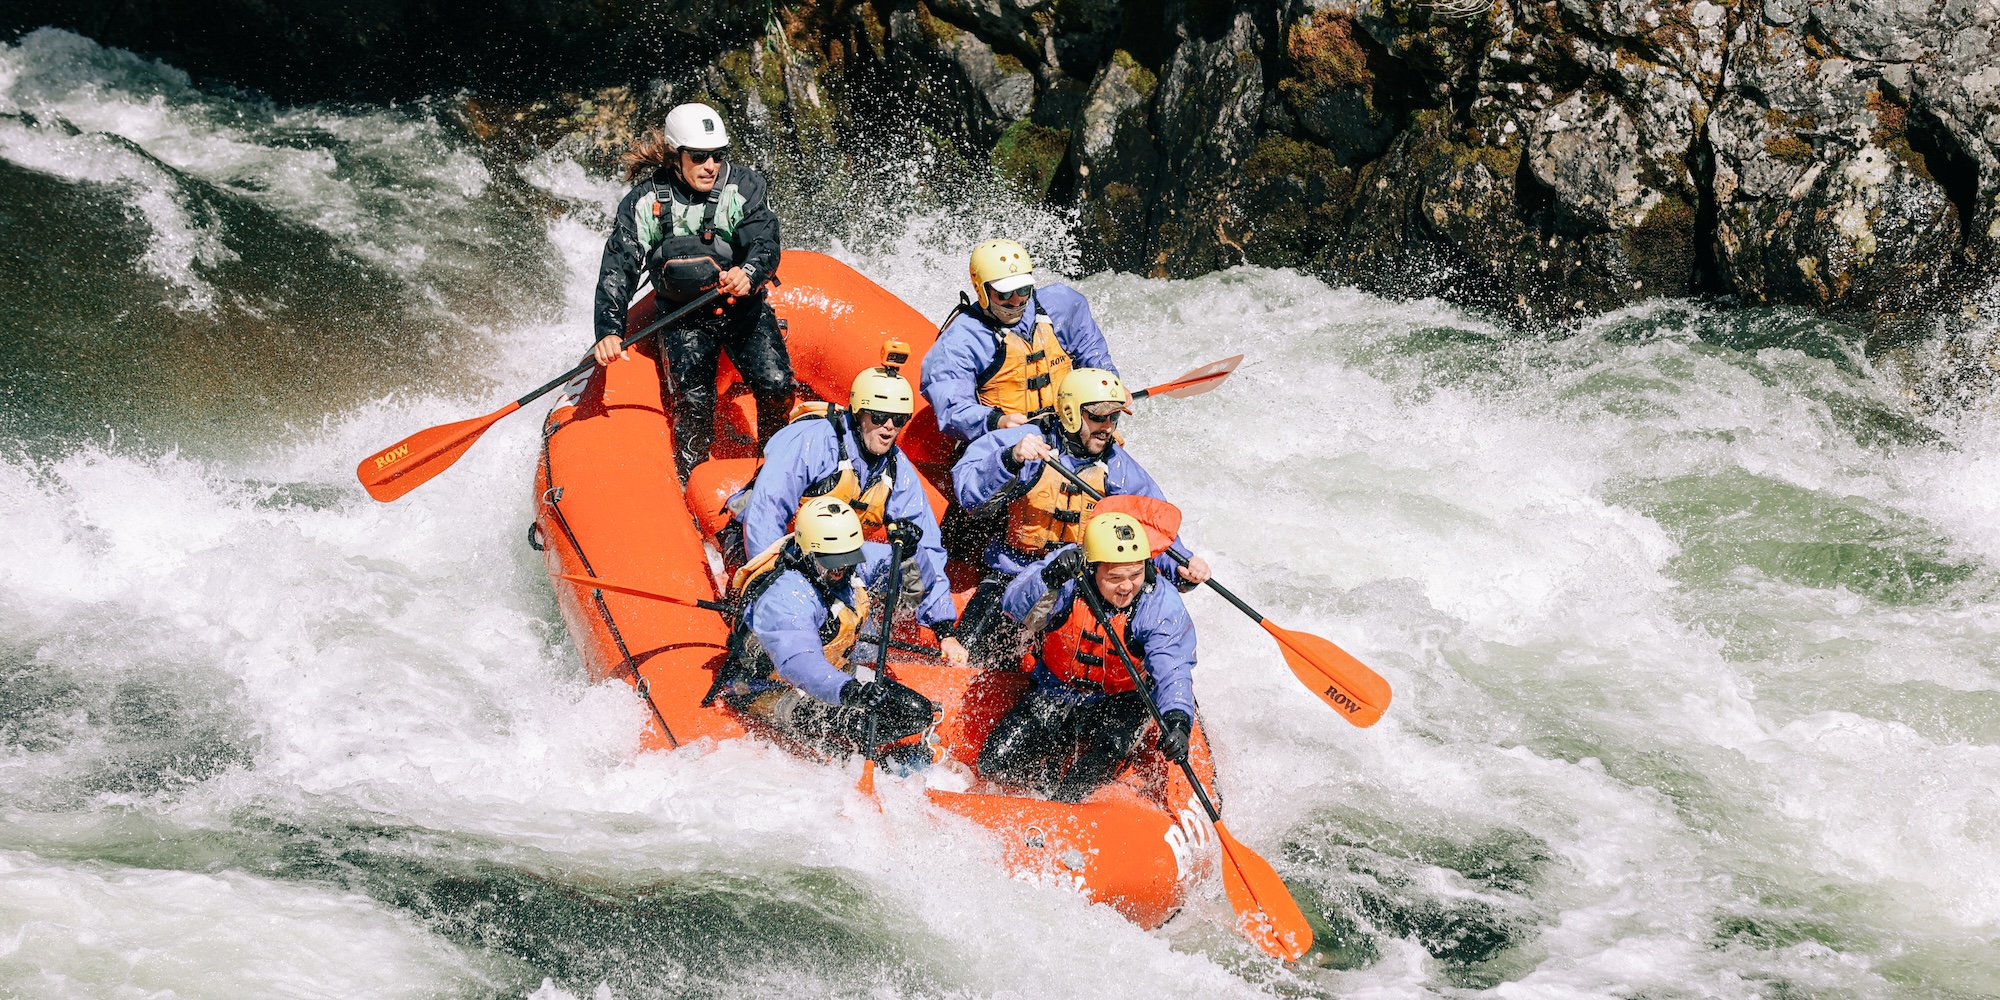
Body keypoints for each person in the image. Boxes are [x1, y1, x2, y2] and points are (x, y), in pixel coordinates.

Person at [950, 367, 1209, 666]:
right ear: (1071, 413)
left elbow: (1152, 531)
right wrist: (1010, 458)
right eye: (1099, 417)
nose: (1109, 427)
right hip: (1014, 577)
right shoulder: (1030, 441)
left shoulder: (1119, 469)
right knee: (968, 655)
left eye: (1114, 417)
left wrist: (1182, 567)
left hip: (1080, 587)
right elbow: (969, 491)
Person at [592, 102, 793, 480]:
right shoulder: (645, 202)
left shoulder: (745, 187)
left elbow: (764, 241)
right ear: (675, 156)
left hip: (741, 308)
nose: (710, 166)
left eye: (717, 156)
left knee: (777, 385)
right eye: (699, 157)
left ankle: (774, 466)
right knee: (695, 403)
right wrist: (609, 330)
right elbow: (619, 266)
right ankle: (693, 479)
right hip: (682, 317)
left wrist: (749, 272)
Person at [720, 364, 969, 666]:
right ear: (858, 413)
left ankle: (852, 659)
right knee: (785, 617)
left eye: (898, 419)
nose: (889, 427)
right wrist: (772, 584)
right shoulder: (814, 441)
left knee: (901, 567)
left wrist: (944, 628)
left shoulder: (896, 467)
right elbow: (765, 512)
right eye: (878, 417)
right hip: (773, 550)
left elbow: (925, 546)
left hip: (835, 554)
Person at [978, 512, 1197, 802]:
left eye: (1135, 574)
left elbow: (1173, 668)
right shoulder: (1067, 573)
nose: (1126, 586)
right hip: (1057, 689)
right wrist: (1049, 580)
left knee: (1072, 791)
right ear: (1093, 568)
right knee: (993, 763)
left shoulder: (1159, 605)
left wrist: (1179, 720)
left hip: (1124, 702)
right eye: (1115, 577)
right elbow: (1013, 606)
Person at [712, 497, 940, 764]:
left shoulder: (844, 558)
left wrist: (912, 553)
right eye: (833, 561)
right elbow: (799, 661)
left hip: (834, 673)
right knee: (861, 722)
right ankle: (849, 760)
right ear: (808, 552)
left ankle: (870, 759)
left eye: (848, 558)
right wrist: (848, 691)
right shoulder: (785, 596)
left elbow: (914, 586)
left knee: (917, 712)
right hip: (771, 689)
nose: (842, 568)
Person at [918, 239, 1120, 444]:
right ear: (982, 291)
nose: (1016, 301)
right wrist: (997, 421)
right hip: (1006, 442)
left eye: (1023, 290)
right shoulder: (961, 339)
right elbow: (952, 405)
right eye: (1004, 294)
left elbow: (1092, 352)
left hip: (1071, 431)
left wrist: (1111, 389)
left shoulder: (1061, 307)